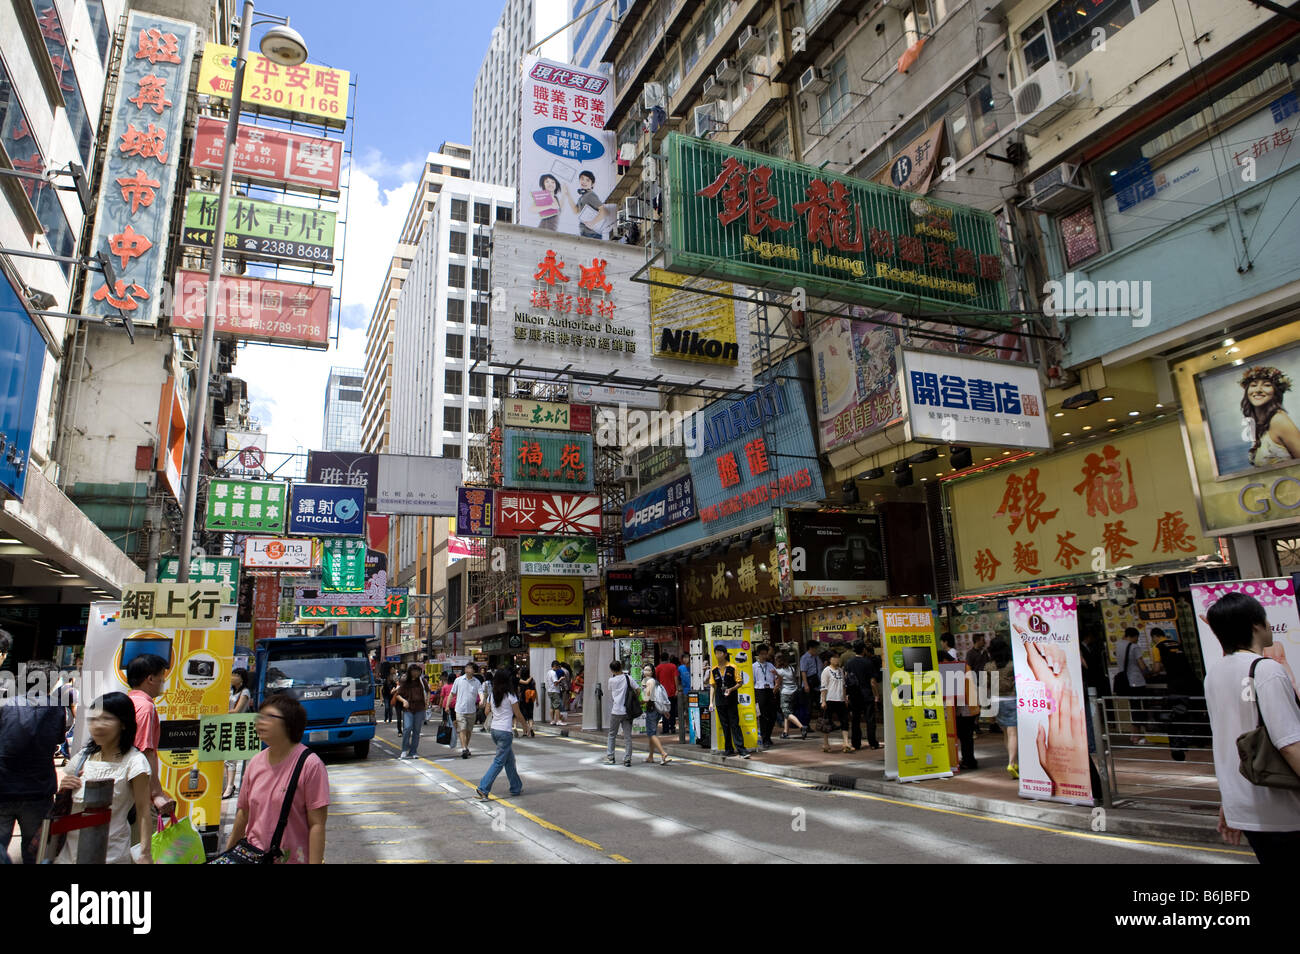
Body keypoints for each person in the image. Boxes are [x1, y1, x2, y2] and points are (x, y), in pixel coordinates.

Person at [1202, 591, 1300, 863]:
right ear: (1256, 625)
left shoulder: (1214, 674)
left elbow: (1224, 740)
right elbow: (1290, 743)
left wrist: (1229, 801)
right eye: (1265, 619)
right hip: (1283, 807)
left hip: (1244, 804)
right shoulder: (1266, 670)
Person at [225, 693, 329, 864]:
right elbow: (243, 813)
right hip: (253, 857)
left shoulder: (310, 765)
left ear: (289, 724)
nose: (260, 722)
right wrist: (228, 855)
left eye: (269, 717)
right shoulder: (255, 762)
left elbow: (317, 825)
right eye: (260, 716)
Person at [54, 692, 152, 864]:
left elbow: (144, 812)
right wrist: (65, 785)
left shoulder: (135, 762)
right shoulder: (83, 756)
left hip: (111, 854)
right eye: (93, 719)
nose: (98, 726)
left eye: (106, 719)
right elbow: (65, 799)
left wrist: (145, 853)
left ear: (123, 723)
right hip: (69, 854)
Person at [1, 658, 67, 863]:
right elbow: (58, 740)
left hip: (3, 787)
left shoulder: (6, 704)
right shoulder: (56, 708)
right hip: (39, 790)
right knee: (34, 852)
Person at [125, 653, 175, 817]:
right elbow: (145, 752)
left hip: (122, 784)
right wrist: (157, 793)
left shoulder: (126, 702)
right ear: (150, 679)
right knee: (141, 839)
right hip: (139, 790)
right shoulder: (146, 708)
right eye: (161, 677)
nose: (163, 682)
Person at [476, 671, 525, 799]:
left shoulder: (492, 696)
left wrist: (497, 714)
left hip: (494, 730)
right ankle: (483, 788)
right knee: (499, 762)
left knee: (509, 760)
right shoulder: (510, 695)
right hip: (505, 731)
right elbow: (518, 714)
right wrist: (525, 727)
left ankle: (516, 787)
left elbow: (487, 712)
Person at [1239, 365, 1300, 466]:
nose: (1258, 390)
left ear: (1276, 392)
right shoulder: (1258, 424)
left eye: (1266, 385)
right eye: (1253, 385)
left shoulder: (1279, 420)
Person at [708, 647, 751, 759]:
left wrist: (731, 689)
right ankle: (728, 749)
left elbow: (740, 683)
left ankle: (742, 750)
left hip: (731, 699)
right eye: (716, 653)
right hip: (720, 700)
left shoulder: (733, 667)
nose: (718, 655)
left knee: (734, 724)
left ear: (725, 654)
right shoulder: (714, 670)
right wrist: (711, 703)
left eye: (720, 653)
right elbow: (713, 686)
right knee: (725, 725)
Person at [989, 636, 1018, 777]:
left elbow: (985, 685)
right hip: (1011, 699)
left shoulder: (988, 666)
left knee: (1006, 733)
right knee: (1013, 733)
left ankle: (1012, 761)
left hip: (996, 701)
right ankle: (1011, 763)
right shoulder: (1013, 665)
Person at [844, 640, 880, 751]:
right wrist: (876, 695)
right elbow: (872, 682)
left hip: (854, 695)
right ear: (863, 649)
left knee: (855, 719)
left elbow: (846, 679)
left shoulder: (849, 663)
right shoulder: (868, 662)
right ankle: (873, 743)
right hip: (867, 695)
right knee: (870, 720)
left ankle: (856, 743)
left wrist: (846, 694)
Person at [223, 668, 252, 799]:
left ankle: (229, 787)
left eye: (236, 675)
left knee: (231, 759)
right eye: (232, 674)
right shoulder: (229, 691)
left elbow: (237, 711)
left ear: (242, 678)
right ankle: (228, 786)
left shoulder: (245, 692)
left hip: (239, 726)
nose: (233, 677)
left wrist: (219, 711)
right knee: (226, 759)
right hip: (227, 725)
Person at [1117, 627, 1150, 744]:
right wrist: (1148, 672)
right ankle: (1138, 735)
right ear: (1135, 636)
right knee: (1139, 708)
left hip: (1126, 682)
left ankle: (1133, 734)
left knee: (1133, 707)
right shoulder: (1134, 647)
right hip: (1137, 681)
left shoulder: (1119, 645)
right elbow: (1141, 664)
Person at [604, 660, 639, 766]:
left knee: (612, 735)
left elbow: (611, 691)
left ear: (612, 670)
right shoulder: (628, 678)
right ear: (621, 667)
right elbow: (637, 689)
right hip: (627, 711)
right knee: (627, 736)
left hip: (616, 711)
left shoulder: (611, 680)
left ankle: (610, 757)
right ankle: (627, 759)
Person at [564, 170, 614, 238]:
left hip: (592, 234)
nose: (584, 182)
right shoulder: (583, 196)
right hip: (586, 232)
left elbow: (604, 211)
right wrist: (568, 195)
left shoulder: (590, 195)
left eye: (587, 180)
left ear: (592, 184)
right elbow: (576, 210)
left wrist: (592, 223)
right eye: (582, 179)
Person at [819, 651, 852, 754]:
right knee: (826, 722)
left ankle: (846, 743)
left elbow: (843, 685)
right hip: (829, 699)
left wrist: (845, 698)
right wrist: (823, 701)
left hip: (840, 699)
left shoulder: (841, 671)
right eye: (835, 658)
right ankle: (825, 743)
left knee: (844, 721)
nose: (837, 660)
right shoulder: (826, 671)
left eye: (838, 657)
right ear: (830, 659)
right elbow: (823, 687)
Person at [392, 664, 427, 759]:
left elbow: (427, 691)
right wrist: (404, 701)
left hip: (419, 708)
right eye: (414, 671)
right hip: (408, 709)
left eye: (418, 671)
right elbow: (398, 694)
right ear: (410, 672)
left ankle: (413, 751)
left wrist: (427, 703)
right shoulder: (405, 682)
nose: (416, 673)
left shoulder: (422, 681)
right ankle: (404, 750)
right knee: (407, 728)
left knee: (416, 731)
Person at [640, 665, 673, 765]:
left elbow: (646, 698)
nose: (646, 672)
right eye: (645, 670)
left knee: (651, 733)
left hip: (652, 710)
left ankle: (663, 753)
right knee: (651, 733)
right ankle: (650, 756)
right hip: (658, 710)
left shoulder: (649, 682)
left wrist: (639, 702)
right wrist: (665, 711)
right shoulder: (656, 682)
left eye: (648, 670)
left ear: (652, 672)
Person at [451, 663, 483, 759]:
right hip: (460, 710)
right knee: (462, 729)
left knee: (468, 732)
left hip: (471, 711)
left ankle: (466, 747)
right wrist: (447, 705)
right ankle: (464, 749)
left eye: (470, 668)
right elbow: (452, 693)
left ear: (474, 671)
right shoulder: (458, 680)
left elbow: (480, 693)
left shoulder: (477, 682)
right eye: (466, 667)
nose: (467, 669)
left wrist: (482, 700)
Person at [775, 652, 807, 740]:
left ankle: (801, 727)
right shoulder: (791, 668)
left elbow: (777, 683)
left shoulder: (779, 671)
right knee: (788, 712)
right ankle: (785, 732)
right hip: (794, 692)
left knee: (786, 712)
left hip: (785, 693)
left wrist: (774, 690)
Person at [752, 645, 778, 750]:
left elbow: (777, 677)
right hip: (759, 691)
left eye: (765, 654)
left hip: (770, 690)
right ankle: (765, 738)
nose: (764, 656)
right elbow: (752, 681)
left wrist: (777, 685)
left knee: (773, 715)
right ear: (758, 654)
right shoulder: (754, 666)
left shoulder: (770, 665)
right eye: (761, 654)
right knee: (763, 716)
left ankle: (768, 736)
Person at [655, 653, 679, 734]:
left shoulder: (658, 668)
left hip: (662, 693)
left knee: (664, 710)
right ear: (668, 658)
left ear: (660, 659)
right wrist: (677, 689)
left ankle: (665, 728)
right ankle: (672, 727)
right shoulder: (673, 666)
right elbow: (676, 678)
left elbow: (656, 680)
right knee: (672, 710)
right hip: (672, 692)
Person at [799, 641, 822, 723]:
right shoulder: (805, 658)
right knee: (808, 706)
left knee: (820, 704)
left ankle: (824, 722)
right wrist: (805, 685)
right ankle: (806, 725)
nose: (818, 650)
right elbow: (803, 672)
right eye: (816, 648)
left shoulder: (817, 657)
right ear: (811, 648)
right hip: (809, 684)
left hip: (817, 684)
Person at [516, 667, 537, 738]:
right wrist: (537, 700)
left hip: (523, 700)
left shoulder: (520, 680)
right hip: (531, 699)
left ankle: (525, 731)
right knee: (530, 715)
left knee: (524, 716)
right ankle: (531, 728)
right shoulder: (532, 680)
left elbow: (519, 691)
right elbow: (535, 690)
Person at [545, 660, 566, 727]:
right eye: (558, 667)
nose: (558, 669)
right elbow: (556, 683)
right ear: (555, 666)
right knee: (557, 706)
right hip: (554, 691)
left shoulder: (548, 672)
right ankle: (558, 720)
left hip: (550, 691)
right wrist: (560, 679)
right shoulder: (553, 673)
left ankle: (552, 720)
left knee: (552, 706)